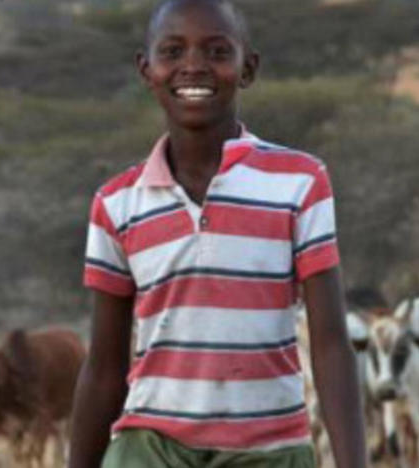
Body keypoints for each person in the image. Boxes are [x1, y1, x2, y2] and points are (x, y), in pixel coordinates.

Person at [69, 0, 366, 467]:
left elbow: (330, 344)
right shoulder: (116, 203)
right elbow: (104, 367)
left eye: (216, 51)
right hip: (149, 448)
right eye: (172, 51)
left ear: (248, 68)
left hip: (270, 450)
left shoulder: (300, 182)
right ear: (146, 69)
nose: (193, 66)